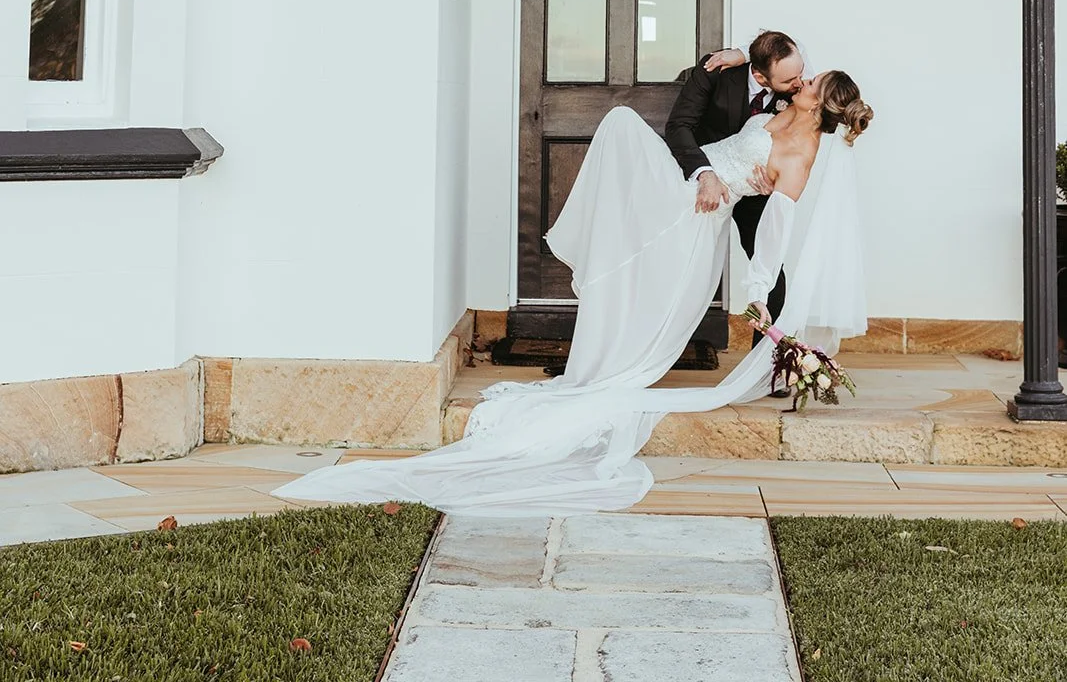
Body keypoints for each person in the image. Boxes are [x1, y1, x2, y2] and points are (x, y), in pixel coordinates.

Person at [274, 71, 872, 517]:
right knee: (619, 141)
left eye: (812, 81)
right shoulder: (774, 114)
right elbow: (734, 96)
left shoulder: (799, 154)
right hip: (689, 184)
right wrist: (736, 61)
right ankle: (605, 350)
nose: (804, 78)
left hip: (694, 214)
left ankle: (613, 362)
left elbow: (775, 231)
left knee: (620, 141)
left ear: (817, 102)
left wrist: (762, 288)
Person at [666, 31, 805, 337]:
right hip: (704, 179)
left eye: (800, 75)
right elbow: (679, 126)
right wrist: (705, 174)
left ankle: (766, 365)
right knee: (676, 265)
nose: (798, 84)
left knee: (770, 269)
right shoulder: (716, 71)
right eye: (789, 81)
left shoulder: (795, 84)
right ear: (760, 76)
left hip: (755, 187)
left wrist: (776, 182)